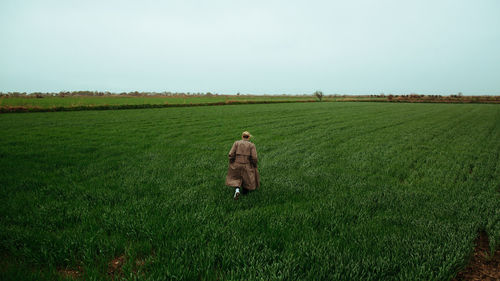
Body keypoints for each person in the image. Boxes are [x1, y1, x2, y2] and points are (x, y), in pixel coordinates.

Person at [225, 131, 260, 200]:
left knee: (236, 178)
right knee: (246, 180)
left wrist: (231, 162)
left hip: (236, 164)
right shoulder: (251, 145)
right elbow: (254, 157)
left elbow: (231, 154)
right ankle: (244, 194)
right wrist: (254, 164)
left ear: (242, 136)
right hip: (246, 165)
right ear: (249, 137)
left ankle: (237, 190)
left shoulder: (236, 143)